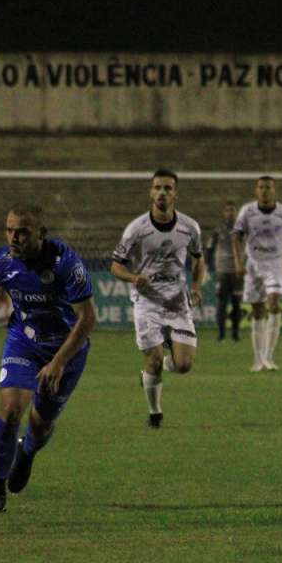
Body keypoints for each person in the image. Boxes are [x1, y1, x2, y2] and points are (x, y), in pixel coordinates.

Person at [0, 204, 96, 515]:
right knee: (11, 409)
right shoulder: (0, 262)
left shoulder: (66, 263)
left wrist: (58, 362)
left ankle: (26, 453)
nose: (14, 237)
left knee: (40, 426)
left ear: (41, 234)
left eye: (22, 232)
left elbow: (88, 319)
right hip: (23, 343)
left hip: (66, 350)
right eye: (9, 230)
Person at [111, 169, 206, 429]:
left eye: (168, 188)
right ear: (150, 192)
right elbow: (116, 265)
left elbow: (199, 260)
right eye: (157, 188)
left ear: (176, 193)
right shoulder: (136, 229)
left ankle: (151, 372)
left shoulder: (190, 227)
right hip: (147, 303)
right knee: (152, 358)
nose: (162, 192)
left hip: (177, 302)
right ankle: (155, 414)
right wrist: (133, 277)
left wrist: (196, 286)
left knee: (184, 365)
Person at [232, 176, 282, 371]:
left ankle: (269, 356)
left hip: (276, 264)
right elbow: (236, 236)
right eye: (261, 187)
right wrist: (239, 262)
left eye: (268, 187)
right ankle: (258, 360)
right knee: (258, 310)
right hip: (254, 264)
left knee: (274, 304)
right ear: (256, 191)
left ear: (274, 190)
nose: (265, 191)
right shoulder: (247, 212)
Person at [207, 201, 243, 343]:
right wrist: (207, 267)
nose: (230, 213)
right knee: (222, 304)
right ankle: (221, 334)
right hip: (222, 271)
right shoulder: (218, 231)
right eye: (227, 210)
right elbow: (209, 249)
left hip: (237, 272)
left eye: (232, 210)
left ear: (236, 212)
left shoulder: (241, 230)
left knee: (236, 304)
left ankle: (235, 334)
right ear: (223, 213)